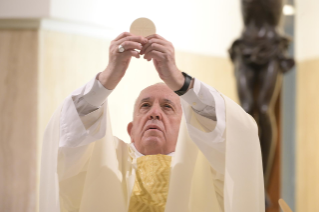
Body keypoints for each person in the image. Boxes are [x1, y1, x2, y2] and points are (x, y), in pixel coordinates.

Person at [39, 32, 265, 212]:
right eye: (145, 106)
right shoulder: (102, 163)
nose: (154, 113)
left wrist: (181, 83)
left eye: (167, 107)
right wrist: (108, 78)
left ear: (188, 128)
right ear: (131, 129)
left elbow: (240, 133)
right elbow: (67, 131)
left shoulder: (206, 169)